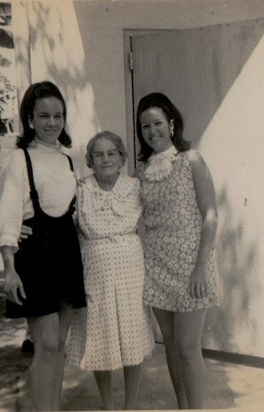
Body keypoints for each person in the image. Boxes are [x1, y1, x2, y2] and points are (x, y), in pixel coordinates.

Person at [0, 81, 86, 411]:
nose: (52, 122)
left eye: (58, 115)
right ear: (30, 119)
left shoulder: (69, 160)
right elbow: (8, 214)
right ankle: (33, 403)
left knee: (58, 347)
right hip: (35, 257)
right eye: (44, 115)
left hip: (67, 255)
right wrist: (9, 267)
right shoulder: (19, 158)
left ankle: (50, 406)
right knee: (45, 345)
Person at [134, 92, 219, 410]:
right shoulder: (141, 172)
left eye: (157, 123)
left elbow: (210, 214)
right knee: (170, 345)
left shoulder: (191, 160)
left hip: (191, 266)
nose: (151, 131)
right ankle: (182, 407)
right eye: (145, 126)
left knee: (187, 346)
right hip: (155, 266)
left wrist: (201, 266)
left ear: (171, 124)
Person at [65, 131, 155, 410]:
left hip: (131, 271)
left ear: (121, 157)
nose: (105, 159)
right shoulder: (80, 189)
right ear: (90, 160)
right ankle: (108, 405)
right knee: (99, 337)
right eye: (98, 154)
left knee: (132, 337)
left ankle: (129, 405)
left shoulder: (135, 186)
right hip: (94, 272)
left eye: (111, 153)